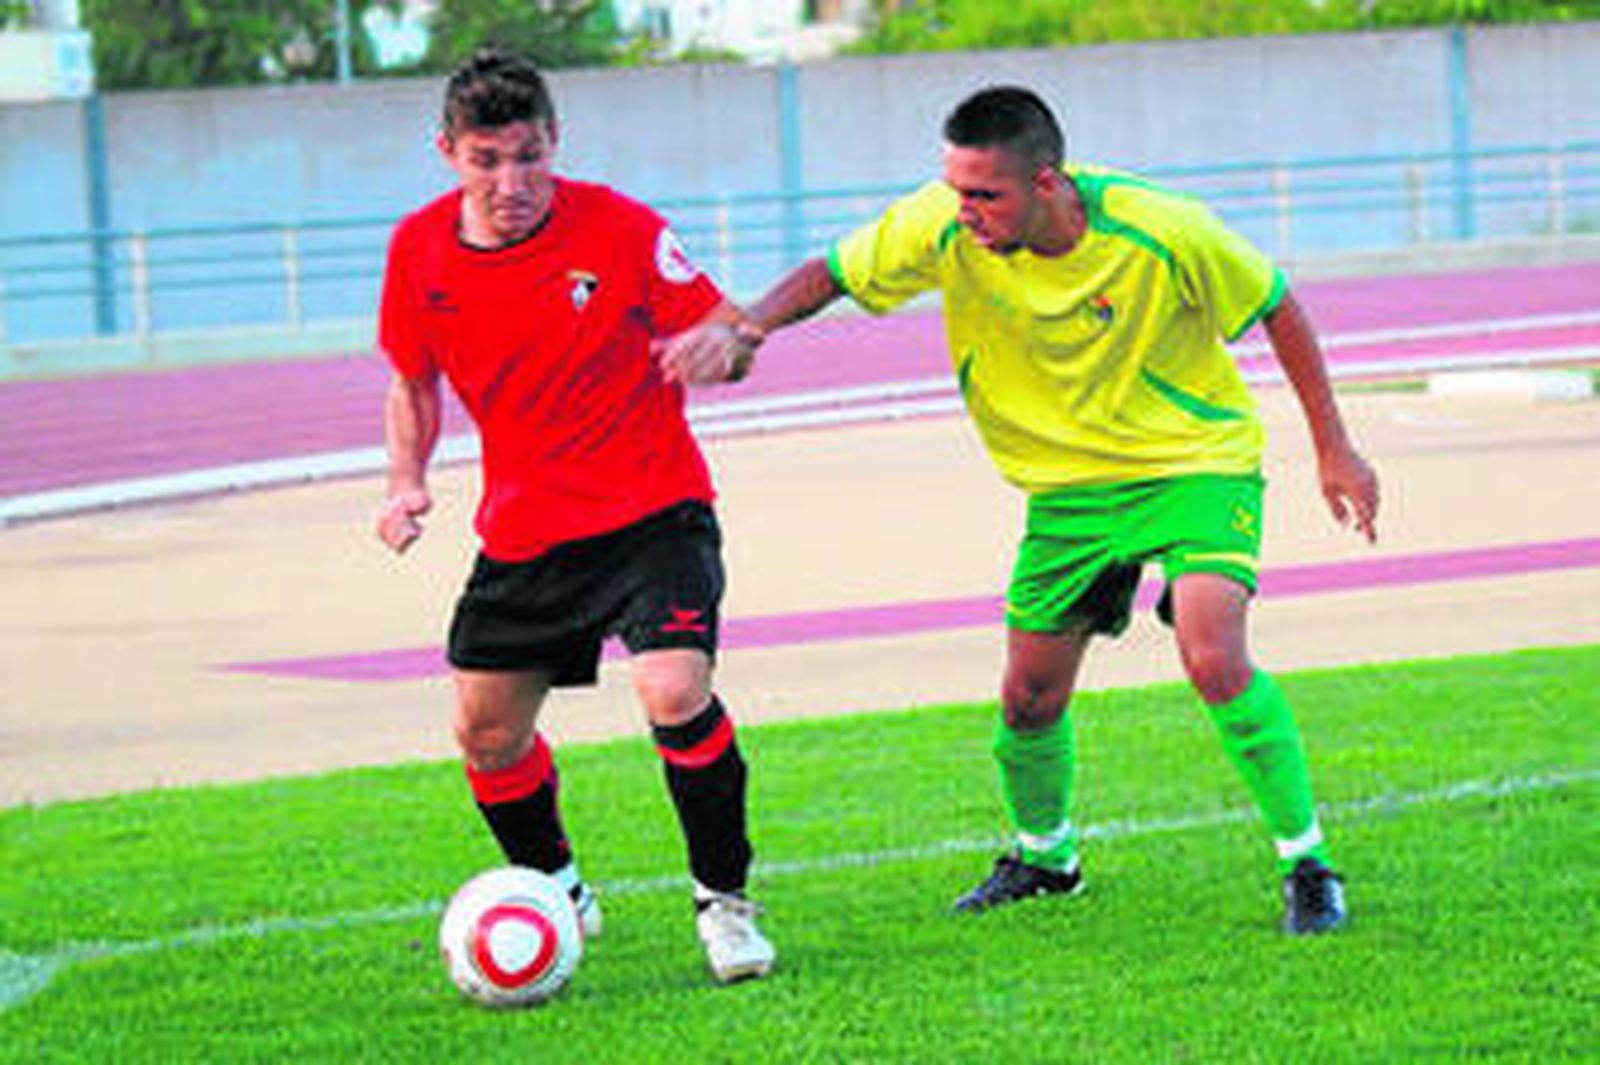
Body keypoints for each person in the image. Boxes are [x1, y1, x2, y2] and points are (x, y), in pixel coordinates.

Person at [661, 86, 1378, 935]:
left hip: (1193, 464)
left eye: (984, 195)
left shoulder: (1164, 227)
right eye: (956, 190)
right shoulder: (943, 221)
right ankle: (1047, 857)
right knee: (1028, 698)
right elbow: (832, 274)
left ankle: (1308, 865)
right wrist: (747, 326)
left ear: (1046, 183)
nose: (963, 213)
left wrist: (1335, 445)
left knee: (1211, 650)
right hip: (1066, 491)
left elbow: (1278, 308)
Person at [375, 48, 773, 982]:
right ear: (448, 154)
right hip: (526, 532)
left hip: (654, 512)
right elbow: (413, 380)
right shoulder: (418, 251)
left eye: (528, 156)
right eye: (487, 159)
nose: (511, 181)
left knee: (674, 691)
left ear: (555, 143)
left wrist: (728, 348)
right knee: (485, 735)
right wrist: (405, 478)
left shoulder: (622, 227)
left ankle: (726, 904)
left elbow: (730, 326)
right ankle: (556, 886)